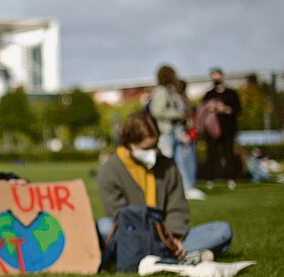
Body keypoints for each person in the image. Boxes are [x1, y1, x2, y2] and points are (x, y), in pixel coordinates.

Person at [97, 111, 232, 259]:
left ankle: (156, 255)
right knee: (103, 227)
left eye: (155, 146)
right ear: (130, 144)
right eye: (146, 148)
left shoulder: (168, 166)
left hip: (167, 235)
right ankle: (172, 255)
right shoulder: (109, 170)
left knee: (221, 230)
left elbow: (177, 208)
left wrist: (173, 238)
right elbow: (119, 214)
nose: (152, 153)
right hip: (131, 234)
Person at [200, 68, 242, 191]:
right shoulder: (209, 95)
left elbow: (237, 110)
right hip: (211, 132)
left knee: (229, 155)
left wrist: (224, 109)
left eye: (217, 75)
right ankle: (209, 179)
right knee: (211, 155)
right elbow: (202, 111)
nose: (215, 78)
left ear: (222, 76)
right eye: (213, 76)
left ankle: (230, 179)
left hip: (228, 131)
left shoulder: (231, 94)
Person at [174, 80, 205, 200]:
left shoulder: (184, 100)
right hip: (181, 136)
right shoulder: (176, 100)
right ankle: (187, 188)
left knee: (190, 161)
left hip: (187, 134)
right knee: (182, 162)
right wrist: (182, 135)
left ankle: (190, 185)